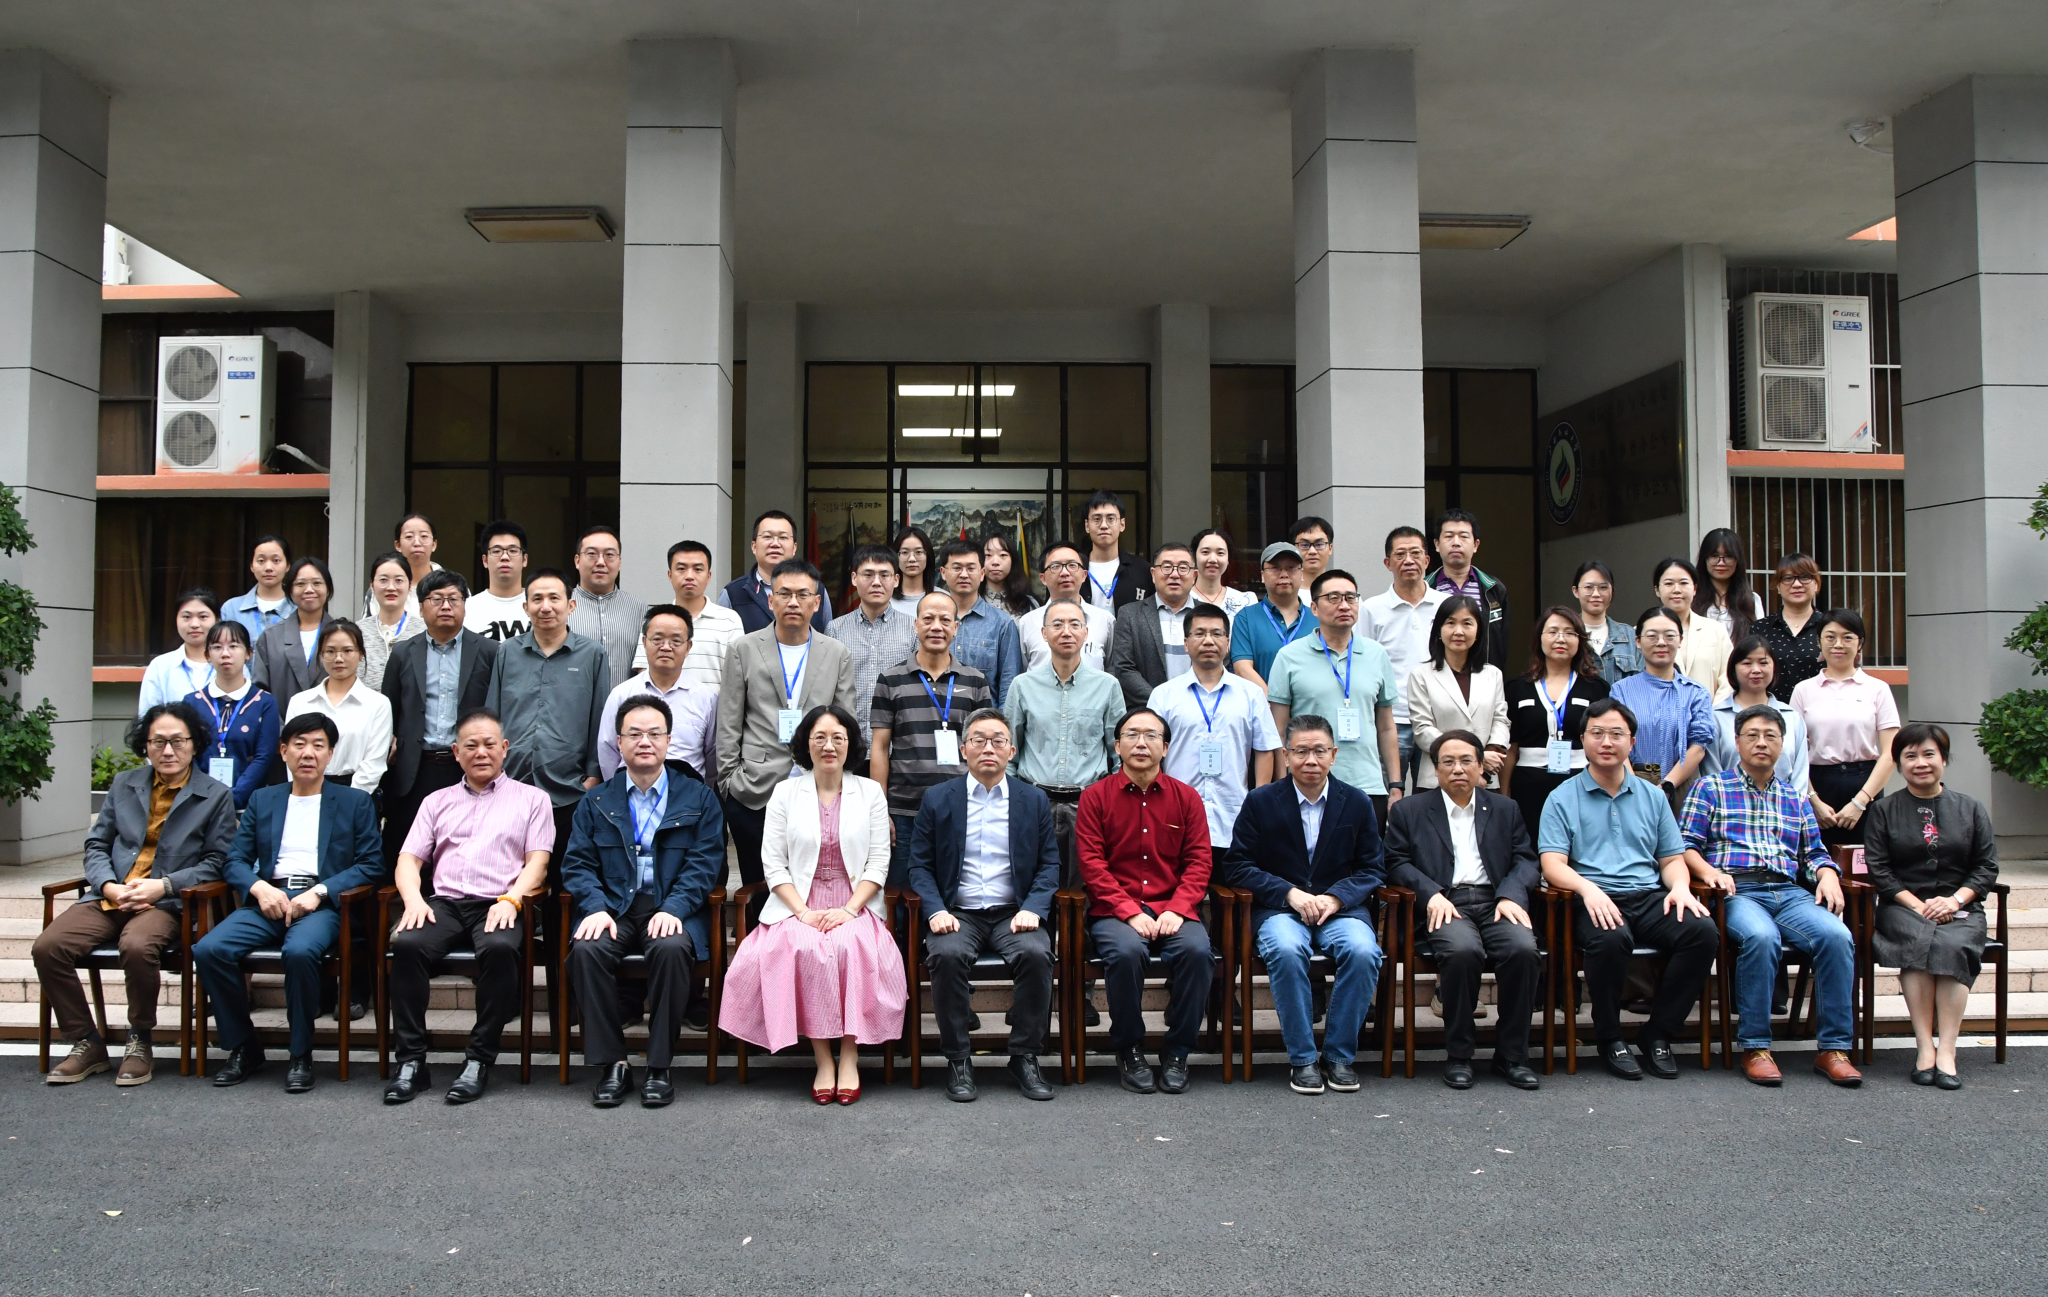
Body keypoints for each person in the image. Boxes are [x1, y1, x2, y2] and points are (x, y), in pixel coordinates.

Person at [36, 701, 234, 1086]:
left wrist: (164, 885)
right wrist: (108, 885)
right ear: (145, 745)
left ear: (195, 744)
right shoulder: (124, 784)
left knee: (138, 945)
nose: (168, 750)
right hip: (111, 895)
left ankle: (140, 1038)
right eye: (158, 742)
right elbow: (97, 844)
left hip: (167, 902)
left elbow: (217, 861)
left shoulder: (215, 795)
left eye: (178, 741)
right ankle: (86, 1041)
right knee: (48, 947)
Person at [719, 705, 906, 1104]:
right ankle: (823, 1058)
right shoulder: (786, 792)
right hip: (797, 904)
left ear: (850, 744)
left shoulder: (869, 792)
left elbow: (878, 862)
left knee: (851, 945)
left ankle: (850, 1055)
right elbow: (773, 863)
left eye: (838, 737)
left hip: (855, 902)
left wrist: (849, 910)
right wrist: (802, 912)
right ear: (806, 744)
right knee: (803, 947)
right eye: (819, 737)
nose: (829, 746)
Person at [195, 713, 386, 1092]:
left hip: (323, 903)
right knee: (209, 949)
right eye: (299, 744)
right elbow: (234, 861)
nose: (308, 753)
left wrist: (320, 892)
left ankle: (300, 1054)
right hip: (270, 898)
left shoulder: (355, 802)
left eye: (318, 745)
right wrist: (258, 888)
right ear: (283, 751)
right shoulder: (263, 799)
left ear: (330, 754)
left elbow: (371, 864)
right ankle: (243, 1046)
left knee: (299, 952)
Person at [1680, 704, 1860, 1088]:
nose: (1761, 743)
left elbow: (1814, 853)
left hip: (1788, 891)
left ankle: (1834, 1049)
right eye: (1752, 735)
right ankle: (1756, 1047)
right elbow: (1685, 846)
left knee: (1837, 936)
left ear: (1783, 744)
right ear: (1737, 741)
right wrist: (1710, 873)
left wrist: (1828, 874)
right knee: (1761, 937)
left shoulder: (1795, 798)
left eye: (1770, 736)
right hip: (1736, 890)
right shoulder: (1710, 788)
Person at [1538, 697, 1718, 1080]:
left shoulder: (1652, 795)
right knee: (1610, 939)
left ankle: (1659, 1033)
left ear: (1632, 742)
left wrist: (1681, 888)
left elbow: (1671, 859)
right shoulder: (1561, 797)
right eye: (1597, 733)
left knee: (1702, 932)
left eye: (1616, 734)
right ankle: (1610, 1037)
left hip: (1648, 896)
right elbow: (1552, 864)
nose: (1606, 742)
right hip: (1592, 898)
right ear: (1583, 740)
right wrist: (1588, 890)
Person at [383, 708, 555, 1105]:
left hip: (500, 901)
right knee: (407, 944)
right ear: (456, 753)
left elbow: (538, 863)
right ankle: (411, 1061)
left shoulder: (532, 799)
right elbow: (408, 860)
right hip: (445, 903)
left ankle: (479, 1059)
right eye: (471, 746)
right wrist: (413, 901)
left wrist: (512, 899)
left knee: (499, 948)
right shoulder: (436, 801)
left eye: (489, 744)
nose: (481, 752)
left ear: (505, 748)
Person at [562, 696, 726, 1108]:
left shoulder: (699, 798)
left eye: (654, 733)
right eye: (634, 734)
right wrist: (595, 906)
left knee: (671, 948)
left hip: (672, 906)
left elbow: (706, 865)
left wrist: (674, 907)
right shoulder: (596, 801)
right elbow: (577, 863)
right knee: (586, 949)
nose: (645, 741)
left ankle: (659, 1065)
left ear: (669, 741)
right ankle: (613, 1063)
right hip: (614, 907)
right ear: (619, 743)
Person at [1222, 714, 1386, 1095]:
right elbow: (1237, 865)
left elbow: (1373, 868)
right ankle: (1303, 1059)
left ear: (1334, 754)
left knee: (1364, 951)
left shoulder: (1357, 802)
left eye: (1319, 751)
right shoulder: (1261, 801)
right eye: (1300, 751)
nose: (1310, 760)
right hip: (1281, 908)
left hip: (1339, 909)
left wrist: (1336, 897)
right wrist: (1288, 892)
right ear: (1286, 755)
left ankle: (1339, 1056)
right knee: (1284, 948)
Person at [905, 708, 1062, 1102]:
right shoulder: (938, 798)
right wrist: (936, 910)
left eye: (997, 741)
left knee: (1037, 954)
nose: (988, 748)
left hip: (1014, 912)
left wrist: (1034, 907)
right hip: (958, 913)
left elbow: (1050, 865)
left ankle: (1024, 1055)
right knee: (946, 955)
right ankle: (958, 1059)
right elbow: (919, 865)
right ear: (964, 749)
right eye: (978, 740)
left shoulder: (1033, 799)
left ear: (1012, 750)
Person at [1384, 729, 1543, 1090]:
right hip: (1445, 902)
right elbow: (1395, 862)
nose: (1458, 768)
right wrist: (1430, 894)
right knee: (1461, 952)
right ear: (1435, 768)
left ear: (1481, 766)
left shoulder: (1504, 808)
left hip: (1496, 900)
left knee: (1523, 950)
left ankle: (1511, 1055)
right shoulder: (1411, 810)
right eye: (1448, 762)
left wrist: (1511, 894)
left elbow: (1526, 859)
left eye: (1466, 760)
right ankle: (1459, 1054)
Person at [1076, 708, 1215, 1095]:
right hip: (1115, 910)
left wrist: (1178, 907)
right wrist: (1129, 912)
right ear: (1117, 745)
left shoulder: (1186, 798)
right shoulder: (1095, 797)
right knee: (1125, 952)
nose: (1141, 743)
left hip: (1173, 907)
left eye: (1151, 736)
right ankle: (1129, 1048)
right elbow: (1092, 865)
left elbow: (1199, 861)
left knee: (1197, 951)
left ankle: (1178, 1050)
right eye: (1132, 735)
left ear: (1165, 748)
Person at [1864, 724, 2000, 1089]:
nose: (1920, 763)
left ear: (1943, 759)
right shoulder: (1884, 810)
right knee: (1917, 941)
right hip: (1903, 906)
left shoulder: (1971, 808)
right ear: (1898, 764)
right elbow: (1880, 870)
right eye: (1910, 756)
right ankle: (1925, 1046)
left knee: (1952, 943)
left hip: (1960, 906)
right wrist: (1918, 905)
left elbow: (1986, 867)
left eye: (1929, 754)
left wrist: (1955, 900)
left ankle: (1947, 1051)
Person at [715, 558, 857, 899]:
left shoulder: (836, 653)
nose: (793, 602)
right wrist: (729, 780)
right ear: (770, 599)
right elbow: (729, 719)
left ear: (817, 602)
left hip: (818, 786)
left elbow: (845, 723)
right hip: (755, 788)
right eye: (784, 593)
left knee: (813, 885)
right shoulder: (743, 649)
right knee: (758, 887)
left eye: (803, 594)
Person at [869, 591, 993, 885]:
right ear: (916, 625)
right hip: (904, 809)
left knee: (955, 890)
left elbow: (984, 748)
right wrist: (880, 810)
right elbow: (880, 747)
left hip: (961, 807)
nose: (936, 626)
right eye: (928, 619)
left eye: (945, 620)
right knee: (902, 892)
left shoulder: (976, 681)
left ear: (956, 627)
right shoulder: (891, 680)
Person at [380, 570, 499, 868]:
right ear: (421, 608)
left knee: (465, 850)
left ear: (464, 606)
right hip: (415, 768)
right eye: (436, 599)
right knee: (411, 851)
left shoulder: (490, 651)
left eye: (453, 599)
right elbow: (389, 707)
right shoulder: (403, 652)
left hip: (466, 766)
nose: (446, 606)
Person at [1267, 569, 1403, 824]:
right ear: (1314, 608)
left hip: (1367, 784)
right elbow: (1278, 728)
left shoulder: (1376, 654)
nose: (1344, 605)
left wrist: (1395, 784)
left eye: (1351, 598)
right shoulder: (1289, 656)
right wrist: (1282, 783)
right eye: (1333, 598)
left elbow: (1386, 726)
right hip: (1308, 784)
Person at [1005, 597, 1125, 883]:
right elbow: (1010, 753)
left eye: (1075, 624)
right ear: (1044, 633)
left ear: (1086, 632)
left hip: (1089, 804)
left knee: (1086, 888)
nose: (1066, 632)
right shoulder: (1023, 685)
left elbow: (1119, 753)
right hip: (1035, 802)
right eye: (1057, 624)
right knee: (1033, 883)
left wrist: (1113, 802)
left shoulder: (1107, 686)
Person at [1146, 602, 1281, 850]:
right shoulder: (1163, 695)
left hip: (1235, 818)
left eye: (1217, 634)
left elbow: (1264, 750)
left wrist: (1258, 803)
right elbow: (1152, 755)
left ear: (1228, 643)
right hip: (1176, 819)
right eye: (1199, 633)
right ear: (1186, 643)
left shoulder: (1251, 694)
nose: (1208, 641)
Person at [1793, 607, 1901, 848]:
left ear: (1860, 643)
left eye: (1847, 637)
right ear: (1819, 641)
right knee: (1817, 857)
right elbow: (1795, 752)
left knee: (1865, 860)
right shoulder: (1803, 690)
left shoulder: (1877, 689)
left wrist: (1860, 802)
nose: (1838, 644)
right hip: (1817, 785)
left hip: (1865, 784)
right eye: (1830, 637)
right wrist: (1813, 800)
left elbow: (1890, 753)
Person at [1502, 606, 1611, 833]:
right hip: (1529, 784)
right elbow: (1511, 748)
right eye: (1552, 631)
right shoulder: (1517, 688)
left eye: (1569, 632)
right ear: (1539, 638)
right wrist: (1503, 796)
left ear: (1580, 640)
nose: (1560, 638)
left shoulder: (1596, 687)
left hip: (1582, 781)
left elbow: (1604, 743)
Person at [1360, 526, 1447, 787]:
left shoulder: (1445, 605)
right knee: (1388, 792)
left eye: (1415, 553)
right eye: (1400, 554)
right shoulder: (1371, 609)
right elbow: (1364, 663)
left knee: (1433, 794)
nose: (1408, 560)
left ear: (1427, 560)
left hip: (1436, 717)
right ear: (1388, 563)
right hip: (1391, 719)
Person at [1609, 607, 1714, 806]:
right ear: (1638, 641)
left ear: (1680, 640)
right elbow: (1616, 739)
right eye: (1652, 636)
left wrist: (1667, 785)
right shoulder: (1621, 690)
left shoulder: (1696, 693)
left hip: (1682, 786)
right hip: (1630, 784)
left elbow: (1698, 746)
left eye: (1669, 635)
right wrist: (1635, 786)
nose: (1661, 642)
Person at [599, 605, 717, 781]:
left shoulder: (706, 698)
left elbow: (713, 755)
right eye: (657, 639)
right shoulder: (621, 695)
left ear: (688, 647)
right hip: (631, 792)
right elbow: (607, 750)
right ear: (644, 642)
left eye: (676, 641)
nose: (666, 647)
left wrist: (700, 792)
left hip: (689, 793)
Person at [1405, 595, 1510, 792]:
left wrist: (1482, 769)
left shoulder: (1493, 674)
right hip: (1437, 781)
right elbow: (1422, 729)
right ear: (1439, 630)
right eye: (1451, 623)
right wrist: (1473, 758)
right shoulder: (1421, 675)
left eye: (1467, 623)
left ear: (1478, 630)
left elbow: (1500, 721)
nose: (1458, 631)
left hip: (1485, 779)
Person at [285, 620, 393, 794]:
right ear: (321, 655)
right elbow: (292, 756)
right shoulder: (301, 702)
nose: (339, 659)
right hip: (307, 790)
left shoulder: (377, 704)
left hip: (356, 793)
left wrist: (350, 800)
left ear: (361, 654)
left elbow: (374, 764)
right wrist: (304, 793)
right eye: (330, 651)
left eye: (347, 651)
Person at [825, 543, 917, 744]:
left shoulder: (913, 629)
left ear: (896, 580)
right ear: (854, 578)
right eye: (868, 575)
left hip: (899, 742)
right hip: (850, 741)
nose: (876, 582)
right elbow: (828, 689)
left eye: (884, 575)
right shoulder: (835, 629)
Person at [1701, 635, 1811, 794]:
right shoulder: (1716, 717)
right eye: (1747, 663)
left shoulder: (1792, 717)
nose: (1756, 670)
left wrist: (1791, 804)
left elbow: (1800, 774)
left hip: (1783, 806)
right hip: (1729, 805)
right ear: (1733, 668)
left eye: (1763, 662)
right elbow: (1711, 772)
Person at [188, 620, 280, 809]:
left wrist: (233, 798)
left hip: (250, 804)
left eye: (233, 646)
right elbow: (187, 754)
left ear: (248, 653)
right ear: (207, 655)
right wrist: (206, 796)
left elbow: (264, 756)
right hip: (199, 803)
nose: (225, 653)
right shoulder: (192, 702)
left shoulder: (265, 702)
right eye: (217, 647)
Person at [634, 539, 746, 688]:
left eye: (698, 569)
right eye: (681, 569)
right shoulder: (655, 620)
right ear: (669, 575)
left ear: (709, 576)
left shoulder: (729, 620)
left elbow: (737, 676)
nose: (689, 576)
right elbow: (644, 673)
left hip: (714, 704)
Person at [1107, 542, 1200, 711]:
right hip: (1148, 713)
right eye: (1166, 567)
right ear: (1153, 574)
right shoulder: (1130, 614)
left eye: (1183, 568)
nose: (1174, 574)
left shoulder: (1209, 615)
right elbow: (1124, 668)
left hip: (1199, 711)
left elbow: (1220, 663)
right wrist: (1161, 703)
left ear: (1194, 575)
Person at [933, 538, 1024, 707]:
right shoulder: (930, 621)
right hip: (934, 717)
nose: (964, 574)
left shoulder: (1002, 624)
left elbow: (1009, 686)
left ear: (982, 574)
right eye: (957, 568)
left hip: (983, 720)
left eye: (971, 568)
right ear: (943, 573)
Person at [721, 509, 830, 634]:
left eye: (783, 537)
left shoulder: (817, 590)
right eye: (767, 537)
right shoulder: (733, 593)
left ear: (794, 548)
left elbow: (826, 639)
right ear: (754, 546)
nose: (775, 544)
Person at [1426, 510, 1510, 669]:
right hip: (1435, 675)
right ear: (1437, 545)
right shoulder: (1425, 587)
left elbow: (1501, 644)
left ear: (1475, 545)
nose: (1456, 543)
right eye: (1449, 536)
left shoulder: (1494, 589)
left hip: (1482, 675)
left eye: (1463, 536)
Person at [568, 524, 647, 690]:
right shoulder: (560, 607)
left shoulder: (639, 609)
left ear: (620, 562)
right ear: (577, 561)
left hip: (626, 705)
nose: (600, 562)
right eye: (591, 554)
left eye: (609, 555)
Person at [1016, 540, 1115, 671]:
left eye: (1072, 565)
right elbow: (1021, 673)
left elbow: (1111, 670)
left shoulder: (1105, 620)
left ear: (1084, 575)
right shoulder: (1027, 623)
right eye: (1055, 566)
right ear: (1043, 578)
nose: (1065, 573)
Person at [1229, 540, 1316, 687]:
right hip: (1262, 700)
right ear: (1262, 576)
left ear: (1302, 574)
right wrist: (1272, 698)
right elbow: (1242, 669)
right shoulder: (1246, 618)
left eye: (1291, 568)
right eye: (1275, 568)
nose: (1284, 574)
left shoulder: (1318, 618)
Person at [250, 555, 336, 702]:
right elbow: (260, 693)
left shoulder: (343, 635)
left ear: (328, 589)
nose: (309, 590)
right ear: (290, 591)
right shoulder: (271, 637)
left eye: (317, 583)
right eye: (300, 584)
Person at [1652, 557, 1732, 700]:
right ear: (1657, 590)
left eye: (1683, 583)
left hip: (1710, 712)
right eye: (1669, 583)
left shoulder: (1715, 630)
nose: (1677, 590)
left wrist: (1713, 711)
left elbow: (1729, 677)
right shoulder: (1642, 633)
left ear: (1694, 589)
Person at [1754, 551, 1824, 703]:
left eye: (1804, 577)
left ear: (1816, 584)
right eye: (1788, 578)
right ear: (1778, 586)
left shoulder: (1830, 628)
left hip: (1821, 711)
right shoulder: (1759, 629)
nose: (1797, 584)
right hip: (1770, 712)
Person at [136, 588, 218, 712]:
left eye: (203, 616)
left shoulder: (232, 663)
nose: (194, 624)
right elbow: (148, 716)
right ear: (176, 620)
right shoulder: (160, 666)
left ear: (217, 620)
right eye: (186, 617)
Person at [359, 550, 427, 691]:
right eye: (383, 580)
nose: (391, 587)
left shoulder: (424, 631)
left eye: (399, 580)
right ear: (372, 586)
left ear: (409, 586)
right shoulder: (357, 632)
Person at [1080, 490, 1152, 613]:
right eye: (1097, 519)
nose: (1104, 525)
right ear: (1087, 525)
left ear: (1122, 524)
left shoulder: (1142, 570)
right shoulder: (1074, 568)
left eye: (1110, 519)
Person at [465, 520, 535, 643]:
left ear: (525, 559)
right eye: (496, 551)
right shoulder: (467, 609)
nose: (505, 557)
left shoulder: (541, 606)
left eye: (513, 551)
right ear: (484, 560)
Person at [361, 513, 440, 620]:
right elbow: (366, 626)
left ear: (434, 544)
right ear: (398, 545)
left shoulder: (450, 584)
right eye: (409, 536)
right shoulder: (382, 586)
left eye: (424, 536)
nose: (417, 543)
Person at [1572, 559, 1642, 681]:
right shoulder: (1567, 635)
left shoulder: (1630, 636)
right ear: (1576, 591)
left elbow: (1642, 682)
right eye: (1588, 587)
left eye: (1603, 587)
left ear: (1612, 591)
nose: (1596, 594)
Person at [220, 534, 293, 642]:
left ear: (287, 566)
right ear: (251, 566)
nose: (268, 568)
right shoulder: (231, 609)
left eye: (276, 560)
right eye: (261, 561)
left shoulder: (299, 608)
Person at [1694, 527, 1761, 641]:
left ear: (1738, 560)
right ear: (1704, 559)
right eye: (1714, 556)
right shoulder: (1691, 598)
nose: (1721, 563)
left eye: (1729, 556)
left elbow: (1758, 642)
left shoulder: (1752, 600)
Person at [1190, 527, 1258, 619]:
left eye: (1220, 553)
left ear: (1228, 559)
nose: (1213, 559)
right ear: (1194, 557)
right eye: (1205, 552)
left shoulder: (1246, 601)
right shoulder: (1181, 599)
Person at [982, 532, 1039, 616]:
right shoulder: (969, 601)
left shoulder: (1028, 604)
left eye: (1003, 555)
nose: (995, 562)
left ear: (1013, 561)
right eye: (988, 555)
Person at [890, 525, 937, 619]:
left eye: (918, 552)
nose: (912, 559)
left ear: (928, 556)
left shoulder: (943, 598)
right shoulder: (885, 599)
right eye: (904, 552)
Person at [1288, 516, 1335, 590]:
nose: (1312, 551)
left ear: (1330, 548)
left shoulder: (1343, 592)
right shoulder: (1283, 593)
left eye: (1319, 545)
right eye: (1304, 545)